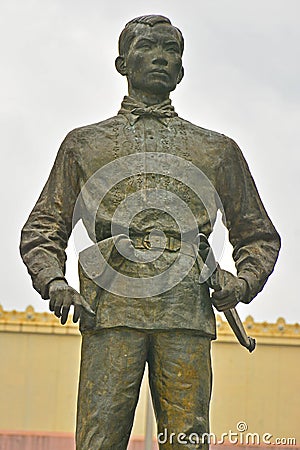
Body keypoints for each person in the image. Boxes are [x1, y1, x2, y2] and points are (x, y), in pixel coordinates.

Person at [20, 15, 280, 450]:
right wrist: (54, 282)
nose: (161, 58)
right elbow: (43, 229)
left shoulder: (217, 149)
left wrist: (244, 281)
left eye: (172, 51)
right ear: (122, 63)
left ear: (182, 70)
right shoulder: (84, 144)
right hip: (109, 310)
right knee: (99, 439)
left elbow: (257, 235)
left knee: (188, 440)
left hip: (186, 311)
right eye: (147, 47)